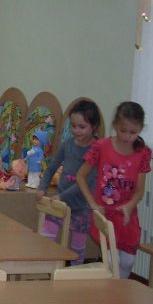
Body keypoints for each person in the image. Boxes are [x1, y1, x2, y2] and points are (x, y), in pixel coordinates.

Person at [76, 102, 151, 279]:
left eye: (133, 132)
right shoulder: (101, 147)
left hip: (127, 217)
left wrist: (129, 206)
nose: (127, 136)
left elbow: (139, 191)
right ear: (115, 125)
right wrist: (93, 204)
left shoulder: (142, 153)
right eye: (123, 131)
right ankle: (111, 292)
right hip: (105, 215)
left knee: (127, 262)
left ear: (141, 129)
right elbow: (80, 177)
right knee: (111, 261)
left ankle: (119, 290)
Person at [36, 99, 102, 263]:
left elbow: (84, 181)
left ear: (94, 126)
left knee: (77, 248)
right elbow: (51, 168)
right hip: (61, 201)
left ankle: (74, 273)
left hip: (81, 206)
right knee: (46, 236)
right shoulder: (67, 144)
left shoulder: (96, 150)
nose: (76, 130)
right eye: (73, 126)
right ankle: (46, 268)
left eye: (82, 127)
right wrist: (42, 187)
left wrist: (62, 196)